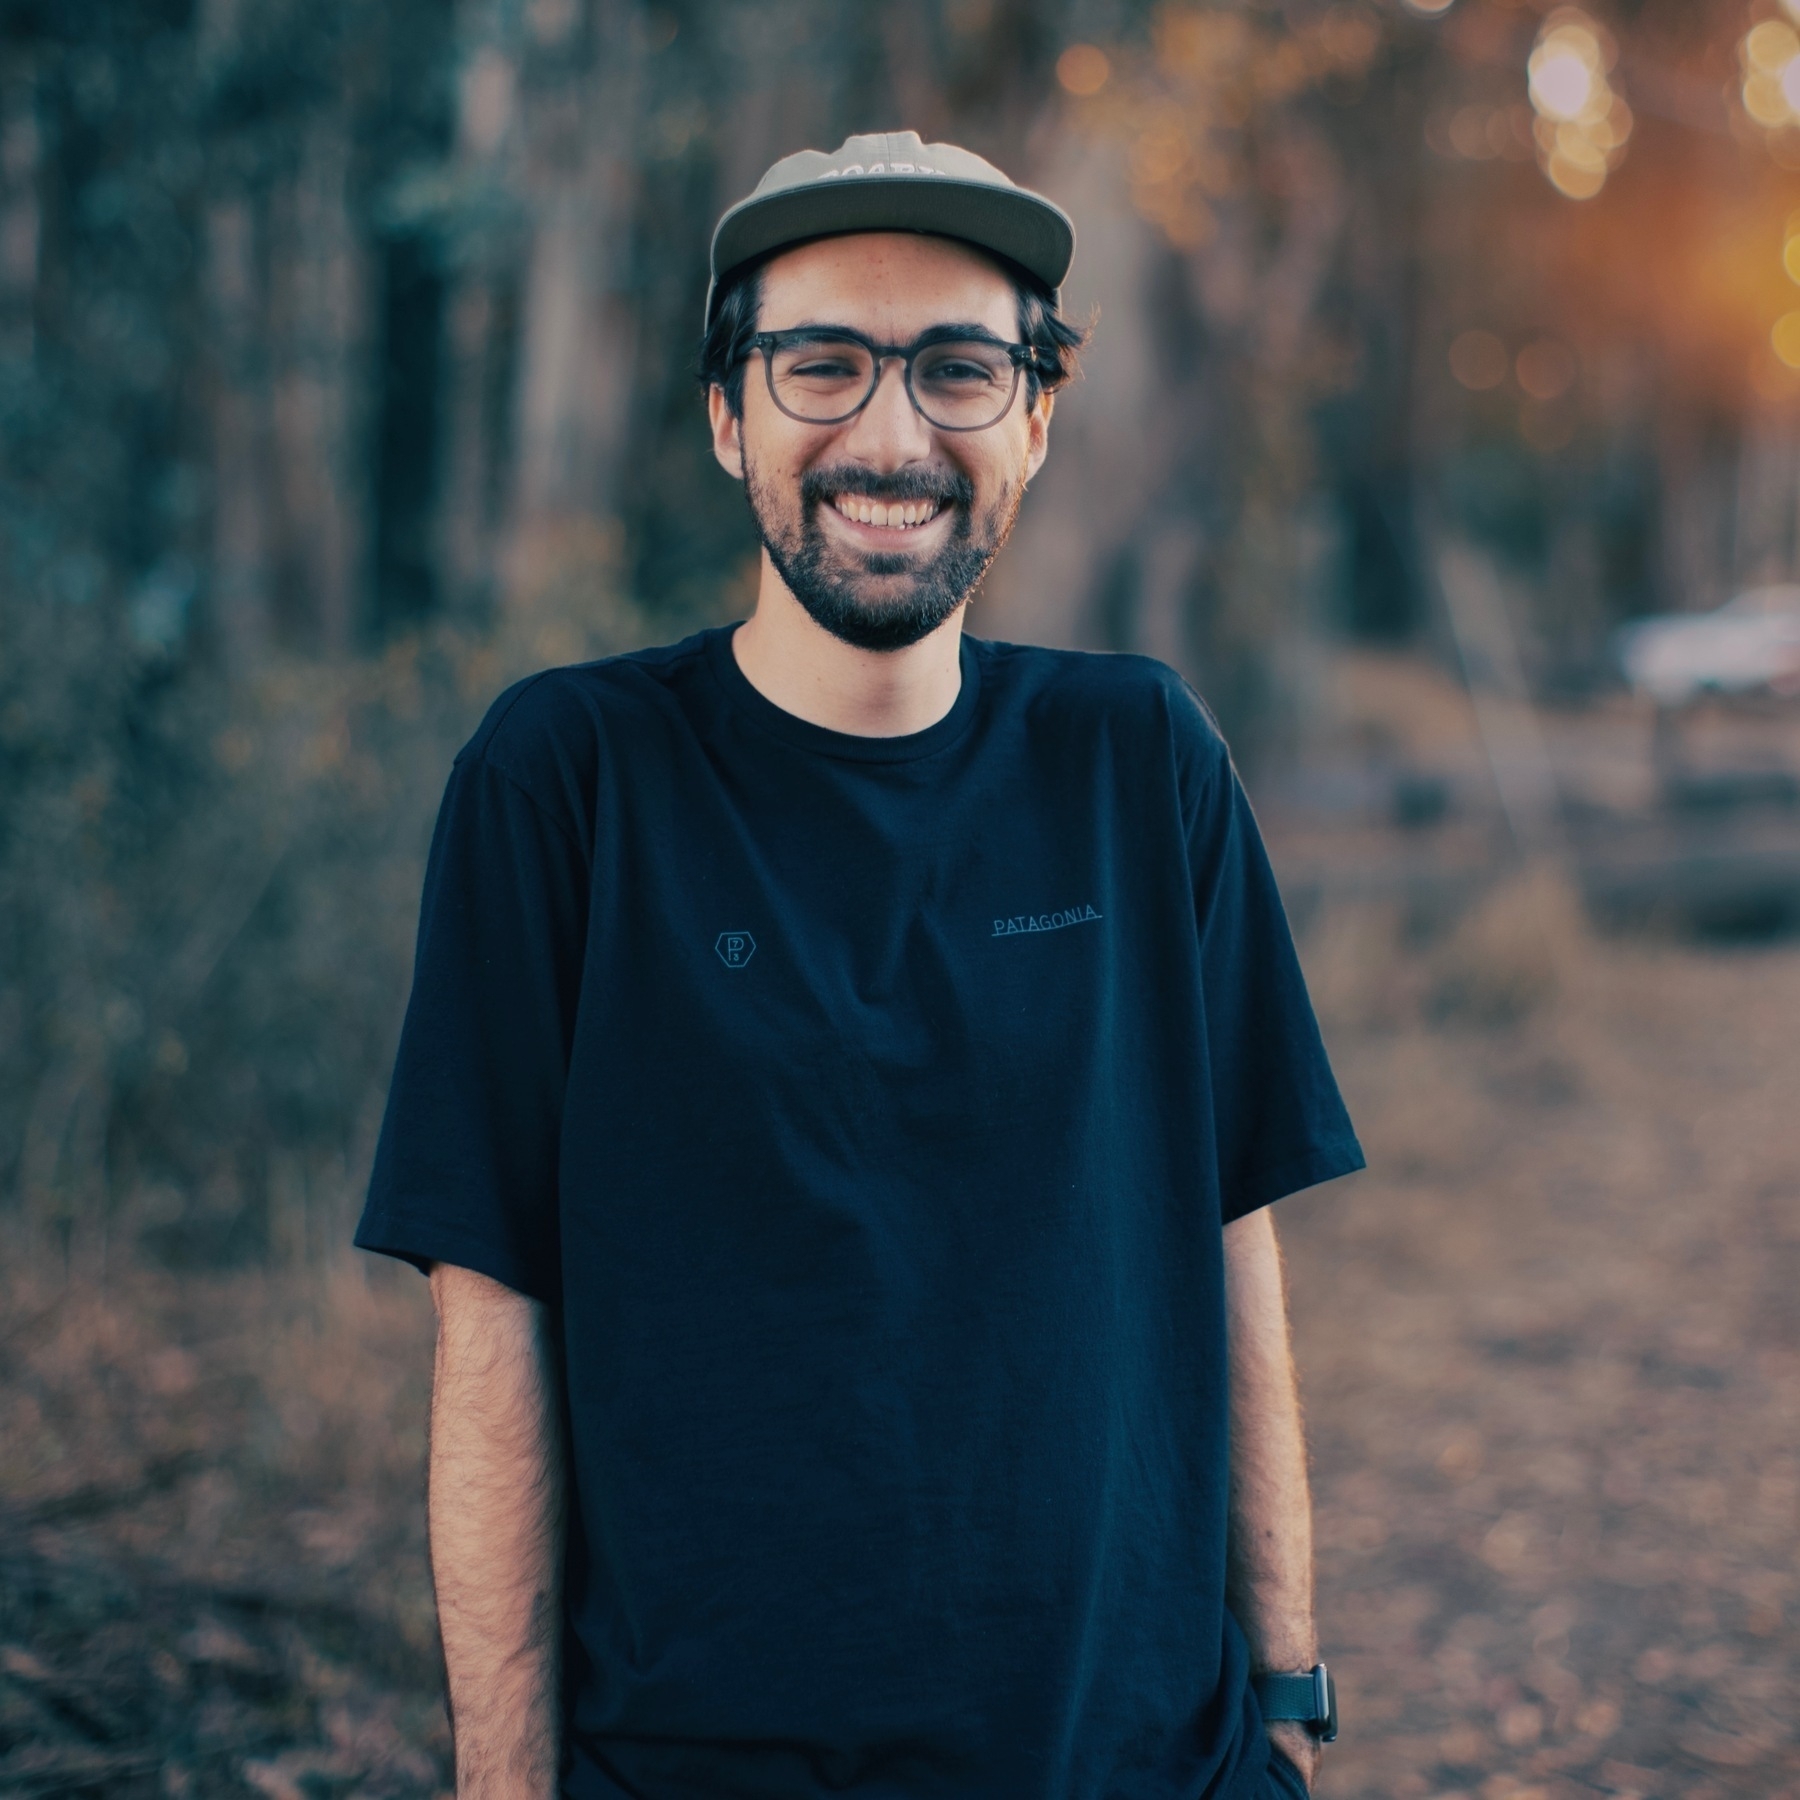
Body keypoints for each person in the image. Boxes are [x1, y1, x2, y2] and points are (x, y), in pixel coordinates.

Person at [356, 129, 1364, 1800]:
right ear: (724, 410)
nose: (890, 433)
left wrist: (1283, 1697)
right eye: (821, 362)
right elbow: (491, 1324)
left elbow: (1229, 1247)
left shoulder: (1140, 762)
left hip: (1137, 1767)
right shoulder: (567, 781)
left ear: (1035, 419)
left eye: (960, 368)